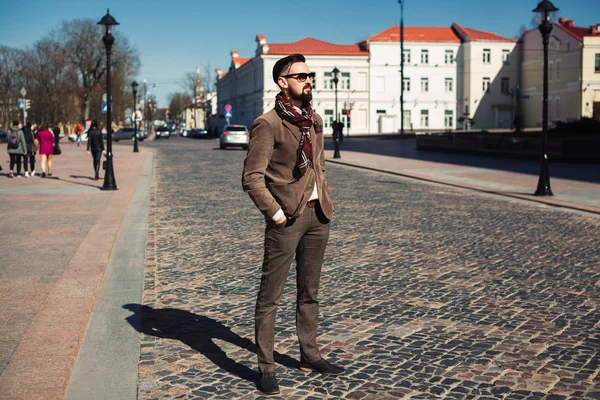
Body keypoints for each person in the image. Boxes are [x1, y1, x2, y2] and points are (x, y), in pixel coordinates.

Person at [242, 54, 342, 395]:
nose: (307, 79)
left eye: (309, 74)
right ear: (282, 81)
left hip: (318, 215)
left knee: (310, 292)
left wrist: (324, 199)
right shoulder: (267, 124)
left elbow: (318, 166)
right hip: (287, 219)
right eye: (300, 75)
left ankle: (309, 354)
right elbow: (252, 179)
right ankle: (266, 367)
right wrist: (276, 213)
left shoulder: (314, 120)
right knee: (270, 297)